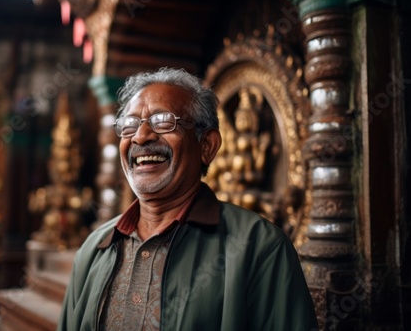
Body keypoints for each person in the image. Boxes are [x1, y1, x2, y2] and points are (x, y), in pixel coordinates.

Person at [58, 67, 318, 330]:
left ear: (206, 146)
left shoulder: (260, 249)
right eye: (129, 125)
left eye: (162, 122)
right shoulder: (94, 249)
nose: (141, 136)